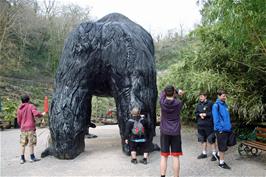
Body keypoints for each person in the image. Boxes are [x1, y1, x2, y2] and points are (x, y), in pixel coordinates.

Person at [160, 85, 184, 177]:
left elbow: (162, 93)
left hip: (164, 131)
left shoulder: (162, 102)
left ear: (165, 93)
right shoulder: (178, 103)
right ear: (173, 93)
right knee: (175, 156)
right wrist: (178, 91)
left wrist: (174, 90)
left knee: (164, 156)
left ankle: (163, 175)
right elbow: (179, 96)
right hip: (175, 131)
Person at [17, 95, 46, 164]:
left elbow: (18, 119)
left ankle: (22, 158)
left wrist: (21, 125)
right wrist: (42, 114)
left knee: (22, 144)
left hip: (23, 128)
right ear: (28, 100)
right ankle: (32, 157)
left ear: (22, 100)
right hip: (30, 128)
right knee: (31, 143)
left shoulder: (19, 108)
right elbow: (36, 114)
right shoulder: (31, 106)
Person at [195, 92, 219, 161]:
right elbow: (196, 113)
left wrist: (206, 114)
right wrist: (200, 114)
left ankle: (214, 154)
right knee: (202, 139)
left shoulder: (210, 103)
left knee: (211, 139)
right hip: (200, 125)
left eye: (202, 96)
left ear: (205, 96)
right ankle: (204, 153)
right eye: (200, 96)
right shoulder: (198, 104)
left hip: (209, 125)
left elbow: (213, 113)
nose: (200, 98)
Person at [212, 89, 232, 169]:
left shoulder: (225, 105)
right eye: (223, 96)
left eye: (225, 96)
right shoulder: (216, 105)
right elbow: (215, 119)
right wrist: (220, 129)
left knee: (227, 144)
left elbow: (226, 117)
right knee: (222, 147)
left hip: (227, 129)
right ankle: (221, 163)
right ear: (219, 96)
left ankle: (218, 154)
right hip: (221, 130)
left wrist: (229, 126)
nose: (225, 97)